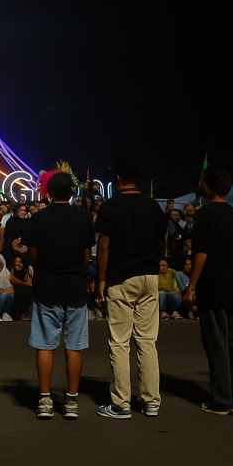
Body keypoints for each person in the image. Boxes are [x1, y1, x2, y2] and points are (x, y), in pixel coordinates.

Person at [95, 154, 166, 418]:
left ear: (116, 178)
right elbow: (162, 238)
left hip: (120, 277)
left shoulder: (111, 207)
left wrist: (100, 280)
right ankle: (151, 401)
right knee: (148, 341)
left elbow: (103, 245)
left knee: (120, 342)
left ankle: (121, 404)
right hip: (149, 277)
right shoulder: (152, 206)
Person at [182, 165, 233, 415]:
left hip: (216, 286)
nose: (199, 184)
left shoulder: (205, 214)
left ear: (209, 186)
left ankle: (221, 400)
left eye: (202, 181)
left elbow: (201, 253)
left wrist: (191, 286)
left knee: (217, 343)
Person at [27, 172, 95, 420]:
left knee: (45, 343)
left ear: (49, 192)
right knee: (74, 345)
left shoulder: (38, 219)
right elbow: (87, 255)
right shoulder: (84, 218)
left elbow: (32, 255)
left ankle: (45, 399)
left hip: (47, 285)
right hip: (75, 284)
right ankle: (72, 400)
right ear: (72, 192)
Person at [0, 253, 14, 321]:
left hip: (3, 294)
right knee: (4, 294)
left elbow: (11, 289)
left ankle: (6, 314)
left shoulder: (6, 273)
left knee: (10, 295)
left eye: (0, 264)